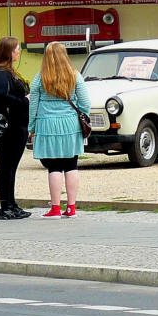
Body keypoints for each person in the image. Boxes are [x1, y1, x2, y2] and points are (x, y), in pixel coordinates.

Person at [28, 41, 90, 218]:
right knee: (71, 165)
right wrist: (81, 115)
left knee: (54, 167)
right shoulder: (74, 75)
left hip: (47, 124)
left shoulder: (40, 77)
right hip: (70, 123)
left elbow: (33, 104)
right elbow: (85, 102)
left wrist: (31, 126)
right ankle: (71, 208)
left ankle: (55, 208)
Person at [0, 36, 32, 220]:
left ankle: (12, 203)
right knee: (6, 166)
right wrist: (23, 100)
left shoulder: (5, 71)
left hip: (15, 125)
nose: (19, 52)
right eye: (17, 49)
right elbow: (1, 96)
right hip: (8, 127)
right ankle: (6, 206)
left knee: (10, 167)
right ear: (9, 52)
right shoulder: (0, 73)